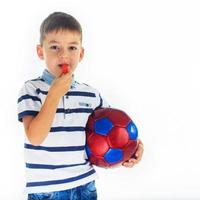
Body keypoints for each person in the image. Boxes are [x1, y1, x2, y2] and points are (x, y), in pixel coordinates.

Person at [17, 12, 144, 200]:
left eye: (72, 48)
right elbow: (35, 137)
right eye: (54, 47)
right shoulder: (32, 89)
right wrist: (54, 93)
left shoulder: (91, 94)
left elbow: (116, 130)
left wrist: (134, 148)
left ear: (81, 53)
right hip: (47, 189)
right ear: (40, 51)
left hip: (84, 184)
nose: (64, 55)